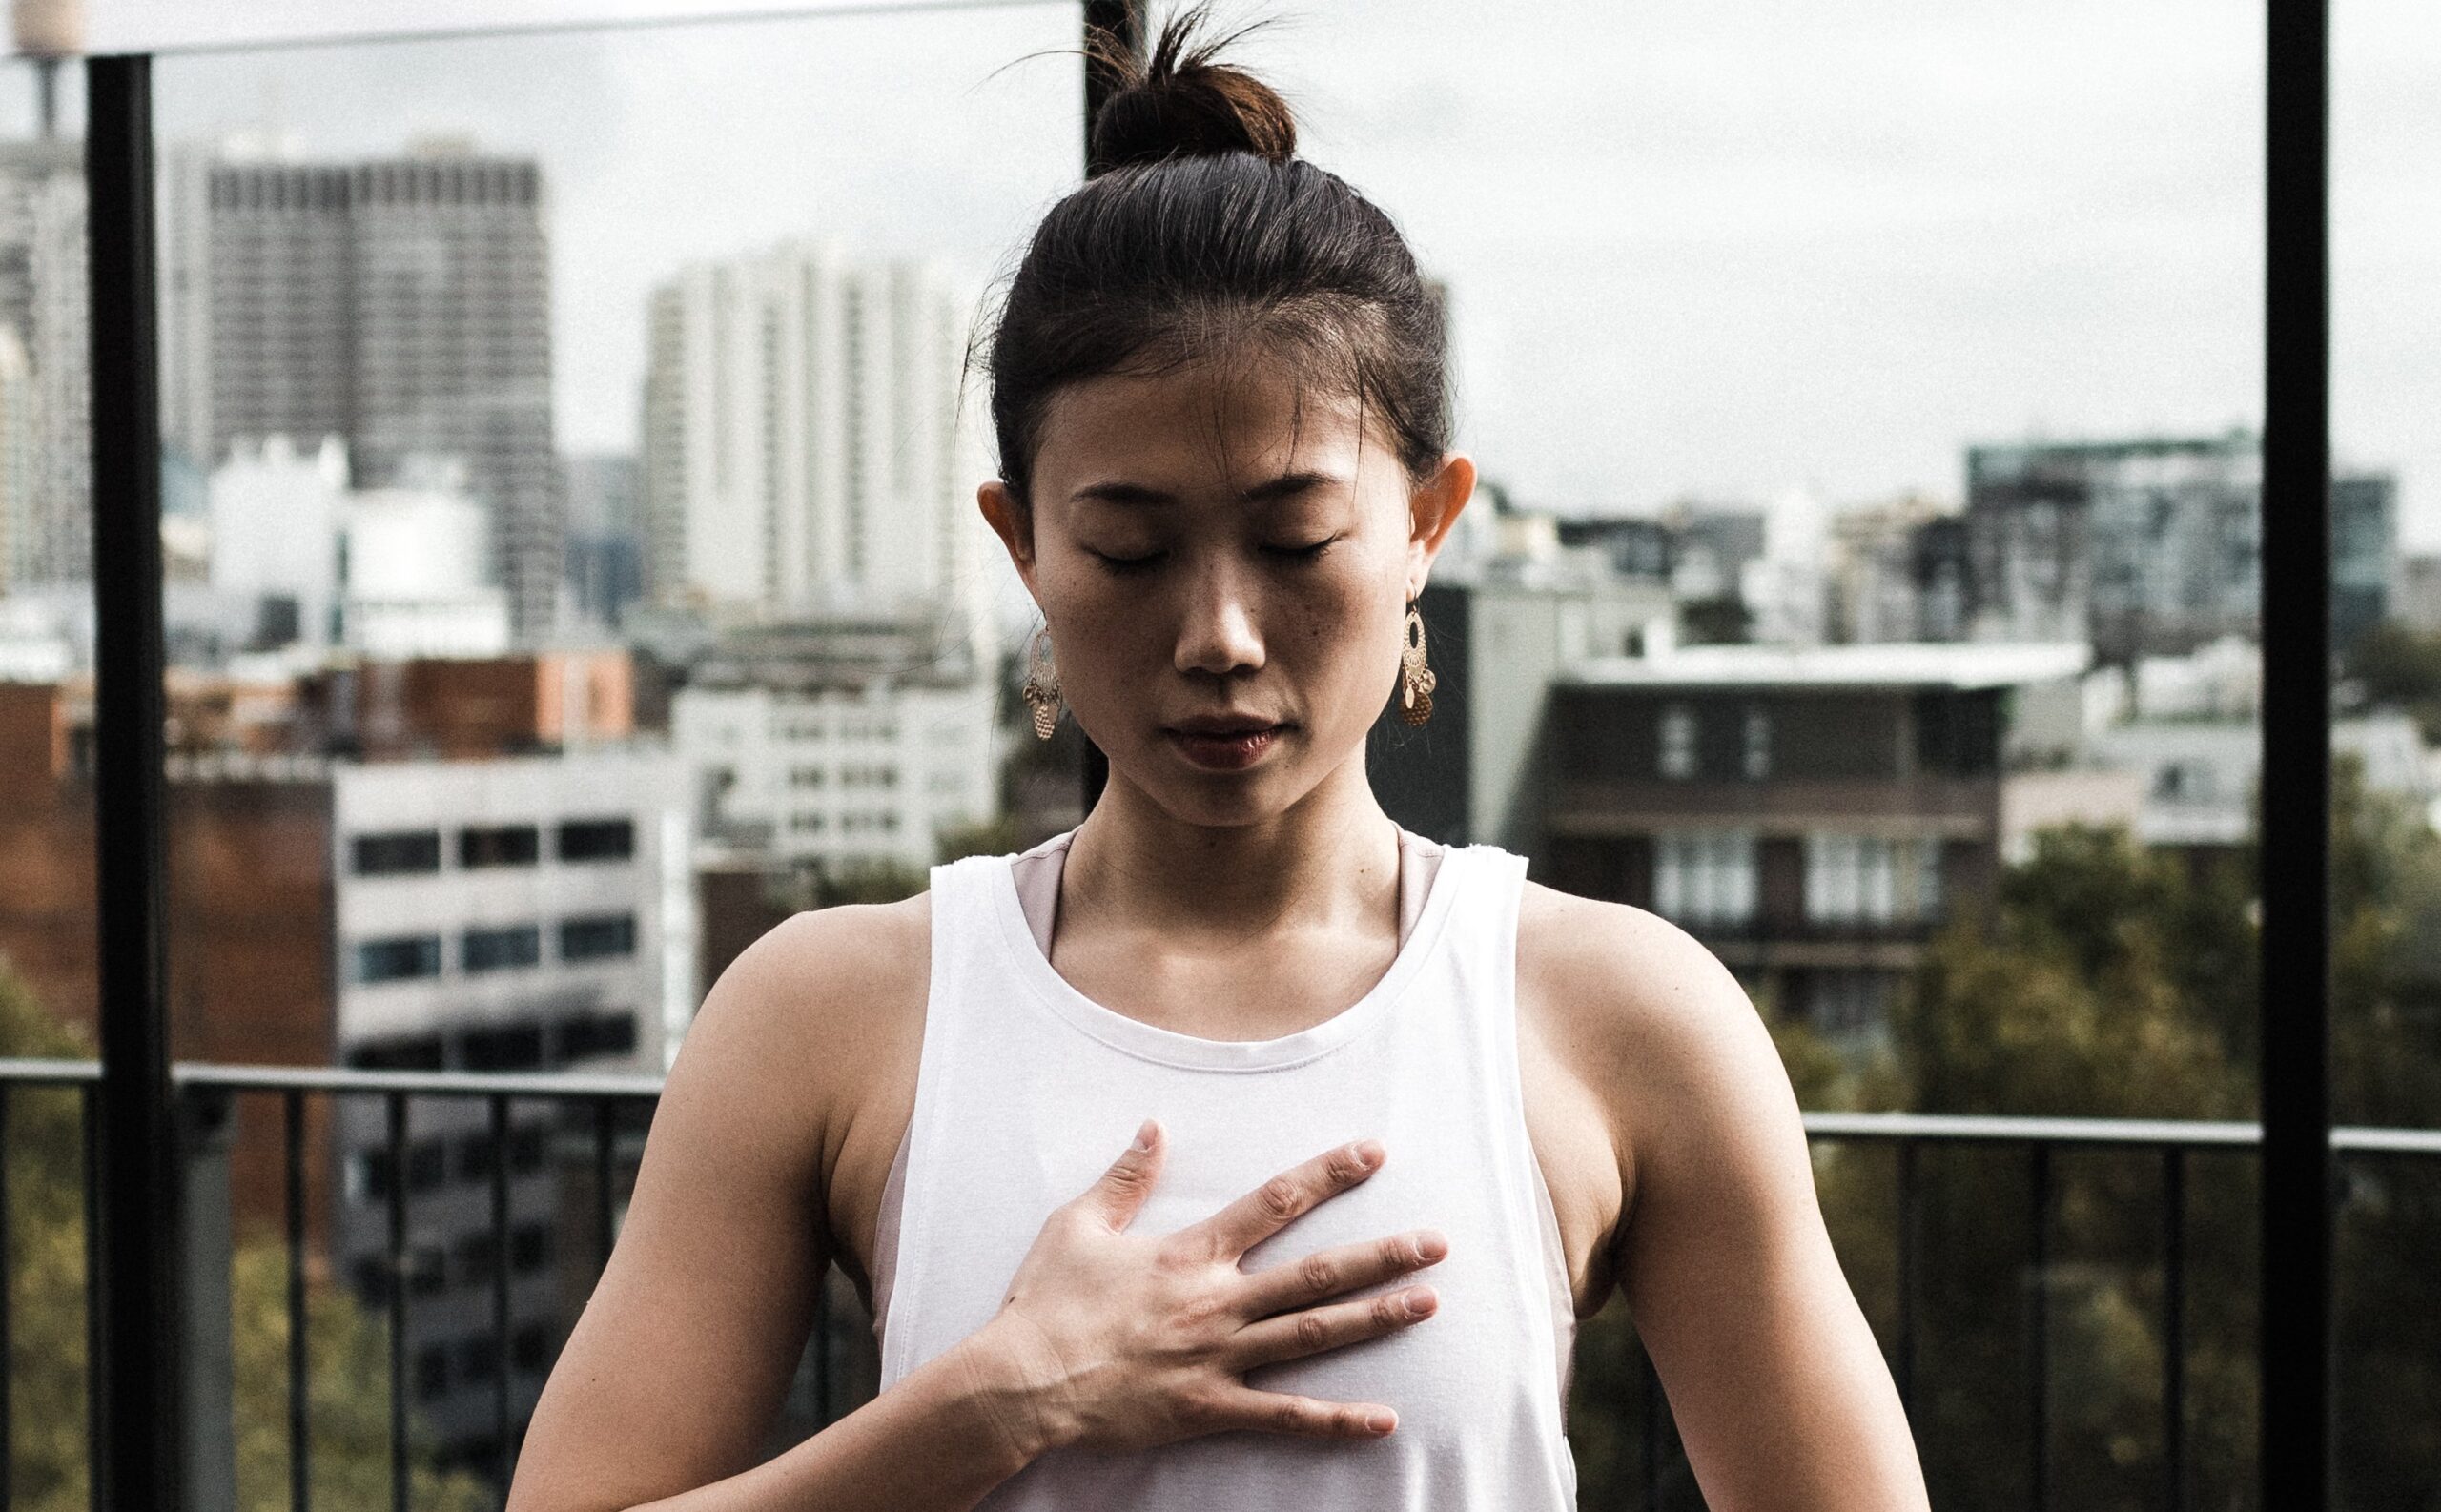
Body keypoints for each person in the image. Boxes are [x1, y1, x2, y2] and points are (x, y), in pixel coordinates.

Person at [512, 15, 1929, 1512]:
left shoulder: (1616, 1015)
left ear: (1427, 525)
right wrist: (992, 1401)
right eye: (1128, 549)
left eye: (1294, 541)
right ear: (1024, 546)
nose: (1220, 633)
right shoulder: (828, 1015)